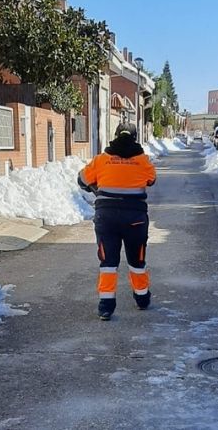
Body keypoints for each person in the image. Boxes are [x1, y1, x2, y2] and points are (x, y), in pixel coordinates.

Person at [78, 123, 157, 321]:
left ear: (115, 136)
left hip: (107, 218)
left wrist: (95, 186)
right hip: (135, 219)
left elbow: (81, 179)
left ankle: (106, 305)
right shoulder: (142, 160)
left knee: (108, 262)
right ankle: (142, 299)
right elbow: (151, 179)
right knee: (136, 261)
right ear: (135, 138)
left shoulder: (102, 160)